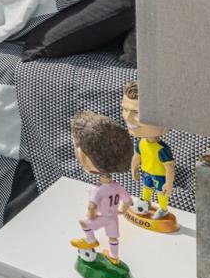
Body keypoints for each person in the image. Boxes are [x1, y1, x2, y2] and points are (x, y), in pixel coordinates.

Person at [70, 110, 134, 266]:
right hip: (113, 218)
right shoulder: (116, 186)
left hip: (104, 217)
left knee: (84, 223)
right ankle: (114, 257)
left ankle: (90, 241)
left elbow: (92, 206)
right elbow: (128, 201)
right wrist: (122, 211)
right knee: (113, 238)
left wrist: (91, 216)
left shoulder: (99, 190)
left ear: (84, 156)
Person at [122, 82, 176, 221]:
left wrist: (169, 183)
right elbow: (137, 156)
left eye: (136, 112)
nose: (127, 117)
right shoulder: (141, 142)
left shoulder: (162, 149)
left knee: (160, 193)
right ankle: (145, 203)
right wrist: (134, 168)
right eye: (125, 109)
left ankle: (163, 209)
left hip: (159, 176)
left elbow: (169, 167)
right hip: (147, 172)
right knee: (146, 189)